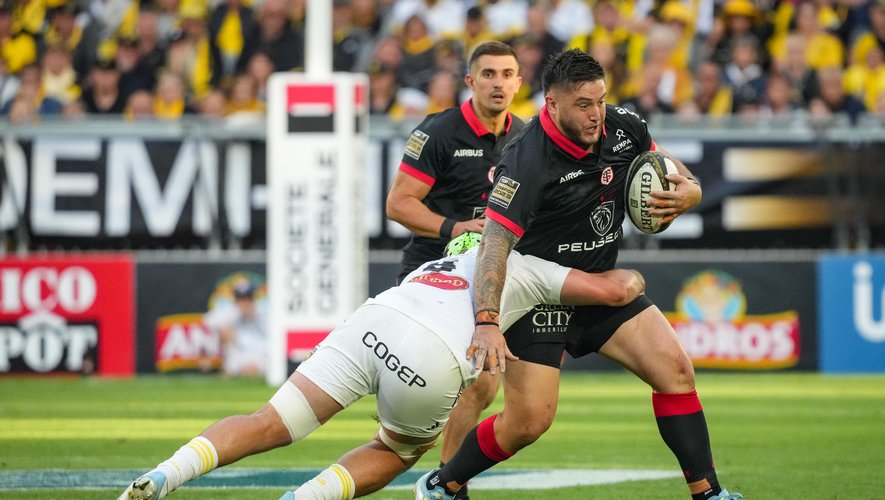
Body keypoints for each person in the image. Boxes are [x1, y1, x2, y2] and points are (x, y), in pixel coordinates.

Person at [415, 49, 743, 500]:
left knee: (676, 372)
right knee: (529, 422)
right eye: (583, 105)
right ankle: (443, 484)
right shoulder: (526, 159)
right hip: (538, 299)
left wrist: (691, 190)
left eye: (601, 101)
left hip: (599, 287)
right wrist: (488, 319)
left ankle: (709, 494)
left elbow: (666, 166)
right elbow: (494, 245)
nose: (596, 116)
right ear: (552, 104)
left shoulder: (623, 126)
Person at [117, 232, 646, 500]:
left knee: (270, 421)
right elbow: (616, 288)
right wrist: (637, 277)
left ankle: (166, 474)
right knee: (395, 450)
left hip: (378, 317)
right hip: (433, 352)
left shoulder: (447, 255)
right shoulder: (528, 261)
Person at [385, 40, 525, 497]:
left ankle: (447, 481)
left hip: (489, 276)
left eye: (507, 74)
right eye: (488, 74)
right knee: (432, 393)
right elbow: (399, 203)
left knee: (484, 381)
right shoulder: (439, 132)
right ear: (470, 82)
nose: (498, 83)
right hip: (433, 271)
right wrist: (458, 226)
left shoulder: (526, 139)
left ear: (519, 82)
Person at [203, 278, 268, 377]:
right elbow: (208, 321)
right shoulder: (230, 312)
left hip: (260, 354)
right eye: (241, 299)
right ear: (236, 300)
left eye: (248, 298)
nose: (245, 302)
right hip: (238, 353)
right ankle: (217, 367)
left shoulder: (262, 311)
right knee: (224, 330)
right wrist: (238, 313)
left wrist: (252, 314)